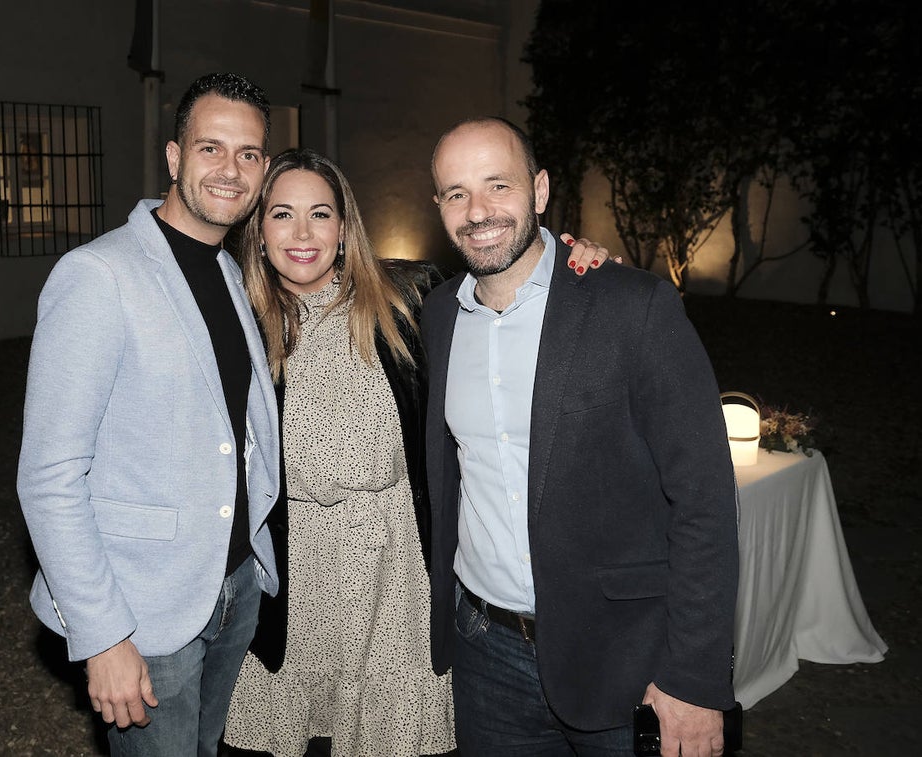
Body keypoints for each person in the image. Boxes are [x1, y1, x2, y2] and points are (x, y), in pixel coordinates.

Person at [420, 117, 739, 757]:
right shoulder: (437, 316)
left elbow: (704, 501)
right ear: (439, 208)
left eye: (497, 185)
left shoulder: (632, 305)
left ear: (539, 190)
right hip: (486, 654)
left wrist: (696, 679)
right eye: (456, 193)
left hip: (627, 659)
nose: (478, 211)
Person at [17, 72, 280, 757]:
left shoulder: (227, 271)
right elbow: (49, 475)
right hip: (143, 612)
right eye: (211, 147)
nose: (230, 169)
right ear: (173, 157)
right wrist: (102, 633)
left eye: (249, 153)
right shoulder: (99, 275)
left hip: (233, 588)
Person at [221, 148, 455, 757]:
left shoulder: (411, 303)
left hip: (392, 567)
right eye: (282, 215)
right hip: (291, 570)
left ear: (345, 227)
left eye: (320, 214)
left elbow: (512, 304)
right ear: (259, 230)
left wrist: (579, 263)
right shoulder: (237, 322)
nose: (302, 234)